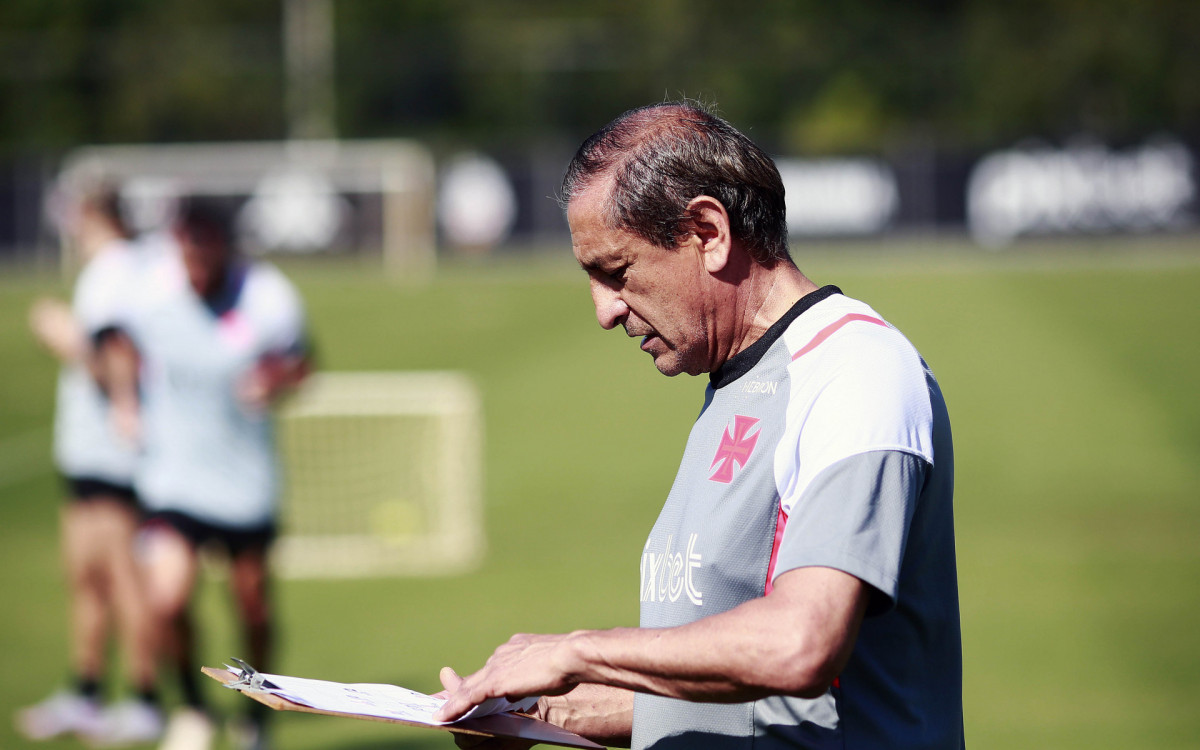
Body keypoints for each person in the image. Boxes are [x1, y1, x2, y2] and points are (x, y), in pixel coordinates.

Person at [434, 102, 963, 750]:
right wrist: (544, 714)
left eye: (616, 271)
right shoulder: (737, 381)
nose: (604, 310)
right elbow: (736, 696)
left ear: (708, 231)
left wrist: (577, 651)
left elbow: (801, 643)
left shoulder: (855, 370)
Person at [106, 197, 311, 750]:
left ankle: (258, 710)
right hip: (174, 476)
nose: (193, 258)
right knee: (167, 600)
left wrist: (276, 380)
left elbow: (302, 361)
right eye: (185, 246)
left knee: (252, 604)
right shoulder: (151, 290)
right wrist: (125, 401)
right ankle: (193, 708)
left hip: (244, 479)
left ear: (223, 244)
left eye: (204, 245)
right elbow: (115, 342)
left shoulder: (267, 297)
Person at [16, 186, 164, 746]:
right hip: (87, 451)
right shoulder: (116, 269)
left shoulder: (113, 271)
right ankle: (87, 691)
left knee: (122, 577)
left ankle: (145, 698)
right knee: (86, 576)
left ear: (92, 218)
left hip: (111, 453)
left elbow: (115, 353)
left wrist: (63, 337)